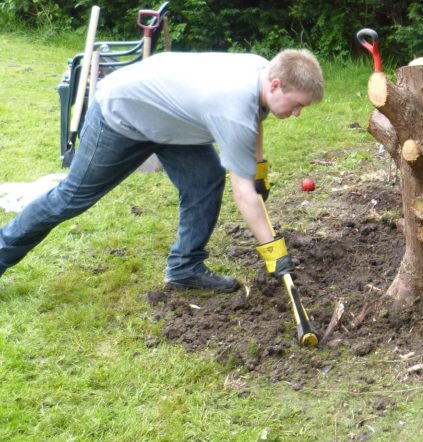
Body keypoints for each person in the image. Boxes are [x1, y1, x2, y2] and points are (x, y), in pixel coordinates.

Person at [0, 49, 324, 291]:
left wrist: (260, 171)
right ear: (277, 84)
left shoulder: (261, 72)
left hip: (172, 119)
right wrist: (274, 253)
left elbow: (257, 120)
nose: (297, 113)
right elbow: (243, 194)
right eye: (298, 104)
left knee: (205, 180)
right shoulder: (233, 108)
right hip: (123, 114)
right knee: (70, 198)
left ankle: (184, 268)